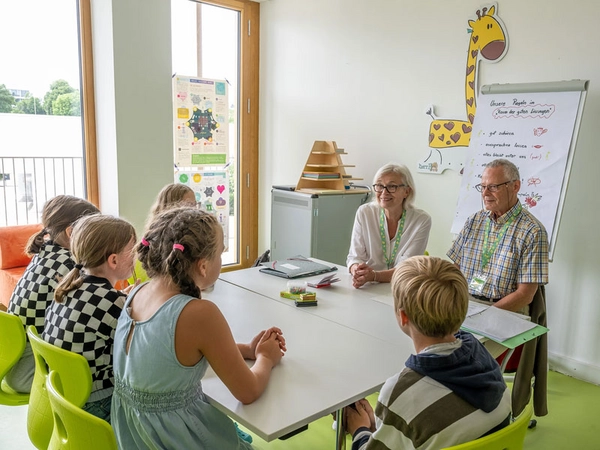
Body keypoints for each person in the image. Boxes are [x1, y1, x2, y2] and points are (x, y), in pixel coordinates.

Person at [111, 206, 286, 449]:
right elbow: (248, 391)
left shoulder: (138, 292)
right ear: (203, 266)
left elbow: (168, 354)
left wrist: (245, 349)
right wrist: (266, 357)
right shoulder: (198, 313)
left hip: (136, 438)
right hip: (176, 439)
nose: (221, 260)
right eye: (220, 254)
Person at [344, 256, 511, 450]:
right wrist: (386, 421)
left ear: (403, 316)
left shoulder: (399, 393)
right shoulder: (482, 354)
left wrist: (360, 429)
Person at [42, 214, 136, 423]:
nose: (136, 255)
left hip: (67, 397)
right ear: (113, 260)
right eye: (133, 249)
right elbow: (138, 353)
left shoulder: (67, 288)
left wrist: (122, 300)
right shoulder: (113, 302)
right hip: (99, 402)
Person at [6, 195, 100, 393]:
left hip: (13, 360)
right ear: (71, 232)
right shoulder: (70, 265)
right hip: (31, 370)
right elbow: (90, 310)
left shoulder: (44, 252)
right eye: (93, 231)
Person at [447, 159, 549, 314]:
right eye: (482, 187)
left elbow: (525, 295)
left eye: (493, 187)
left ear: (515, 186)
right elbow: (455, 269)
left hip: (505, 311)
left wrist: (484, 315)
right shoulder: (474, 221)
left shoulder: (533, 231)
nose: (485, 194)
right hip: (465, 304)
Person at [347, 163, 431, 288]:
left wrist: (374, 276)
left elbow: (407, 268)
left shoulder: (421, 220)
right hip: (367, 286)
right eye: (380, 186)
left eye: (392, 186)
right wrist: (357, 271)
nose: (384, 192)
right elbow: (355, 256)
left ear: (406, 191)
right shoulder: (365, 212)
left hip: (401, 287)